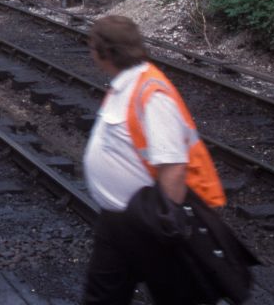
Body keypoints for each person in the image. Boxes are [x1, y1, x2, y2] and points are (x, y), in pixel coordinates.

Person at [81, 15, 226, 305]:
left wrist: (165, 226)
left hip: (151, 222)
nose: (90, 52)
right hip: (118, 222)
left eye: (92, 46)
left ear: (105, 52)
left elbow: (173, 166)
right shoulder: (125, 85)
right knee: (101, 297)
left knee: (178, 298)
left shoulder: (152, 93)